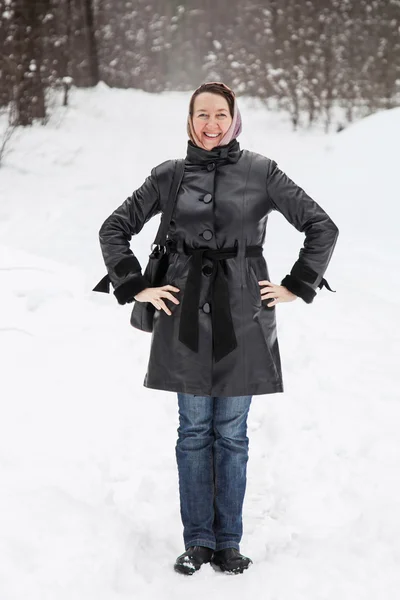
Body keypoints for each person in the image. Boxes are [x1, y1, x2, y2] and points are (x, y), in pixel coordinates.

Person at [93, 82, 339, 576]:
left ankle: (228, 540)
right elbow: (114, 228)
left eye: (220, 114)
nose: (211, 124)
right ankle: (197, 540)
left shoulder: (261, 171)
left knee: (231, 434)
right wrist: (137, 285)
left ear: (234, 118)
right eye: (201, 114)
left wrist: (297, 284)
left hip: (242, 314)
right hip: (182, 314)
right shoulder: (169, 175)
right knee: (192, 431)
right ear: (190, 120)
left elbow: (321, 226)